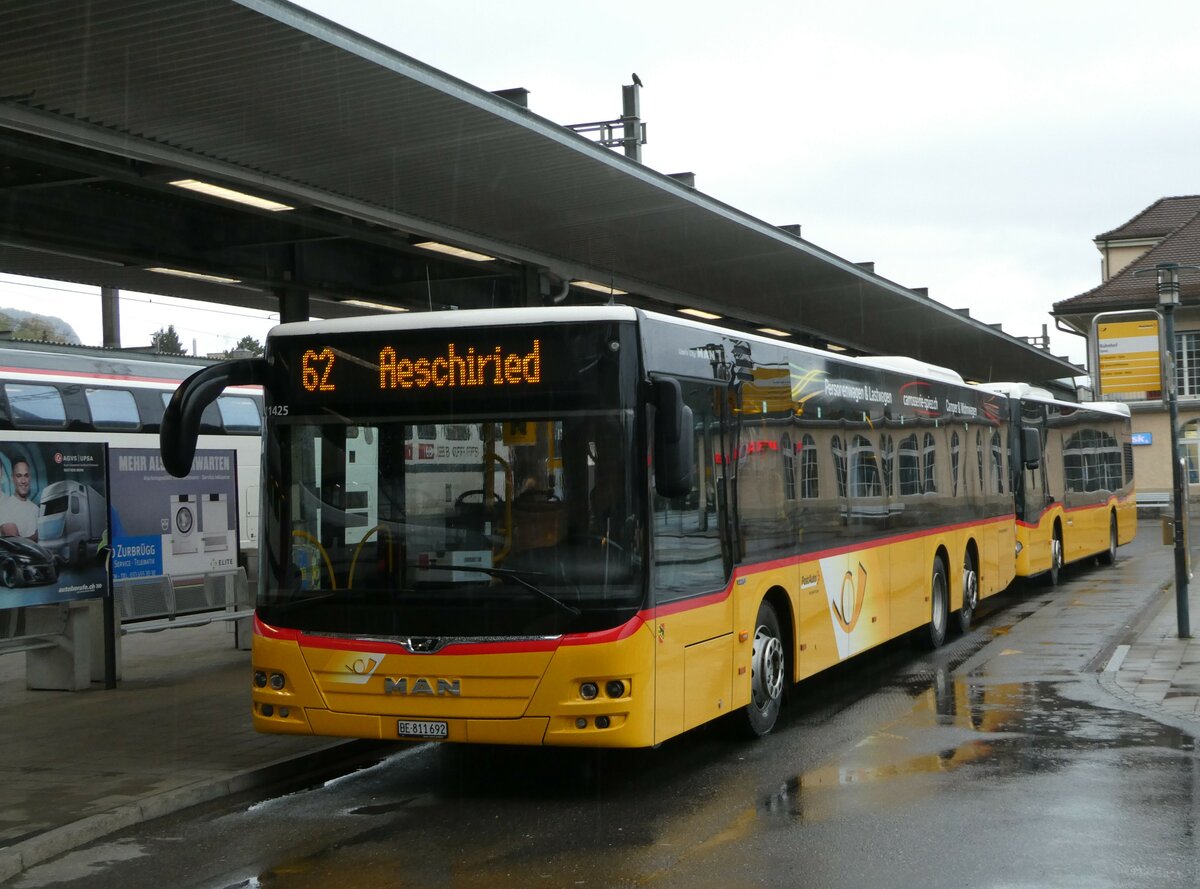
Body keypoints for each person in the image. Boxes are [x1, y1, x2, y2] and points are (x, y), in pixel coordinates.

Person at [0, 459, 39, 540]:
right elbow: (15, 542)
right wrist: (38, 536)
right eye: (19, 476)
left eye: (26, 475)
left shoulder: (36, 509)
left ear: (30, 478)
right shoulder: (4, 507)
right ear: (12, 478)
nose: (23, 481)